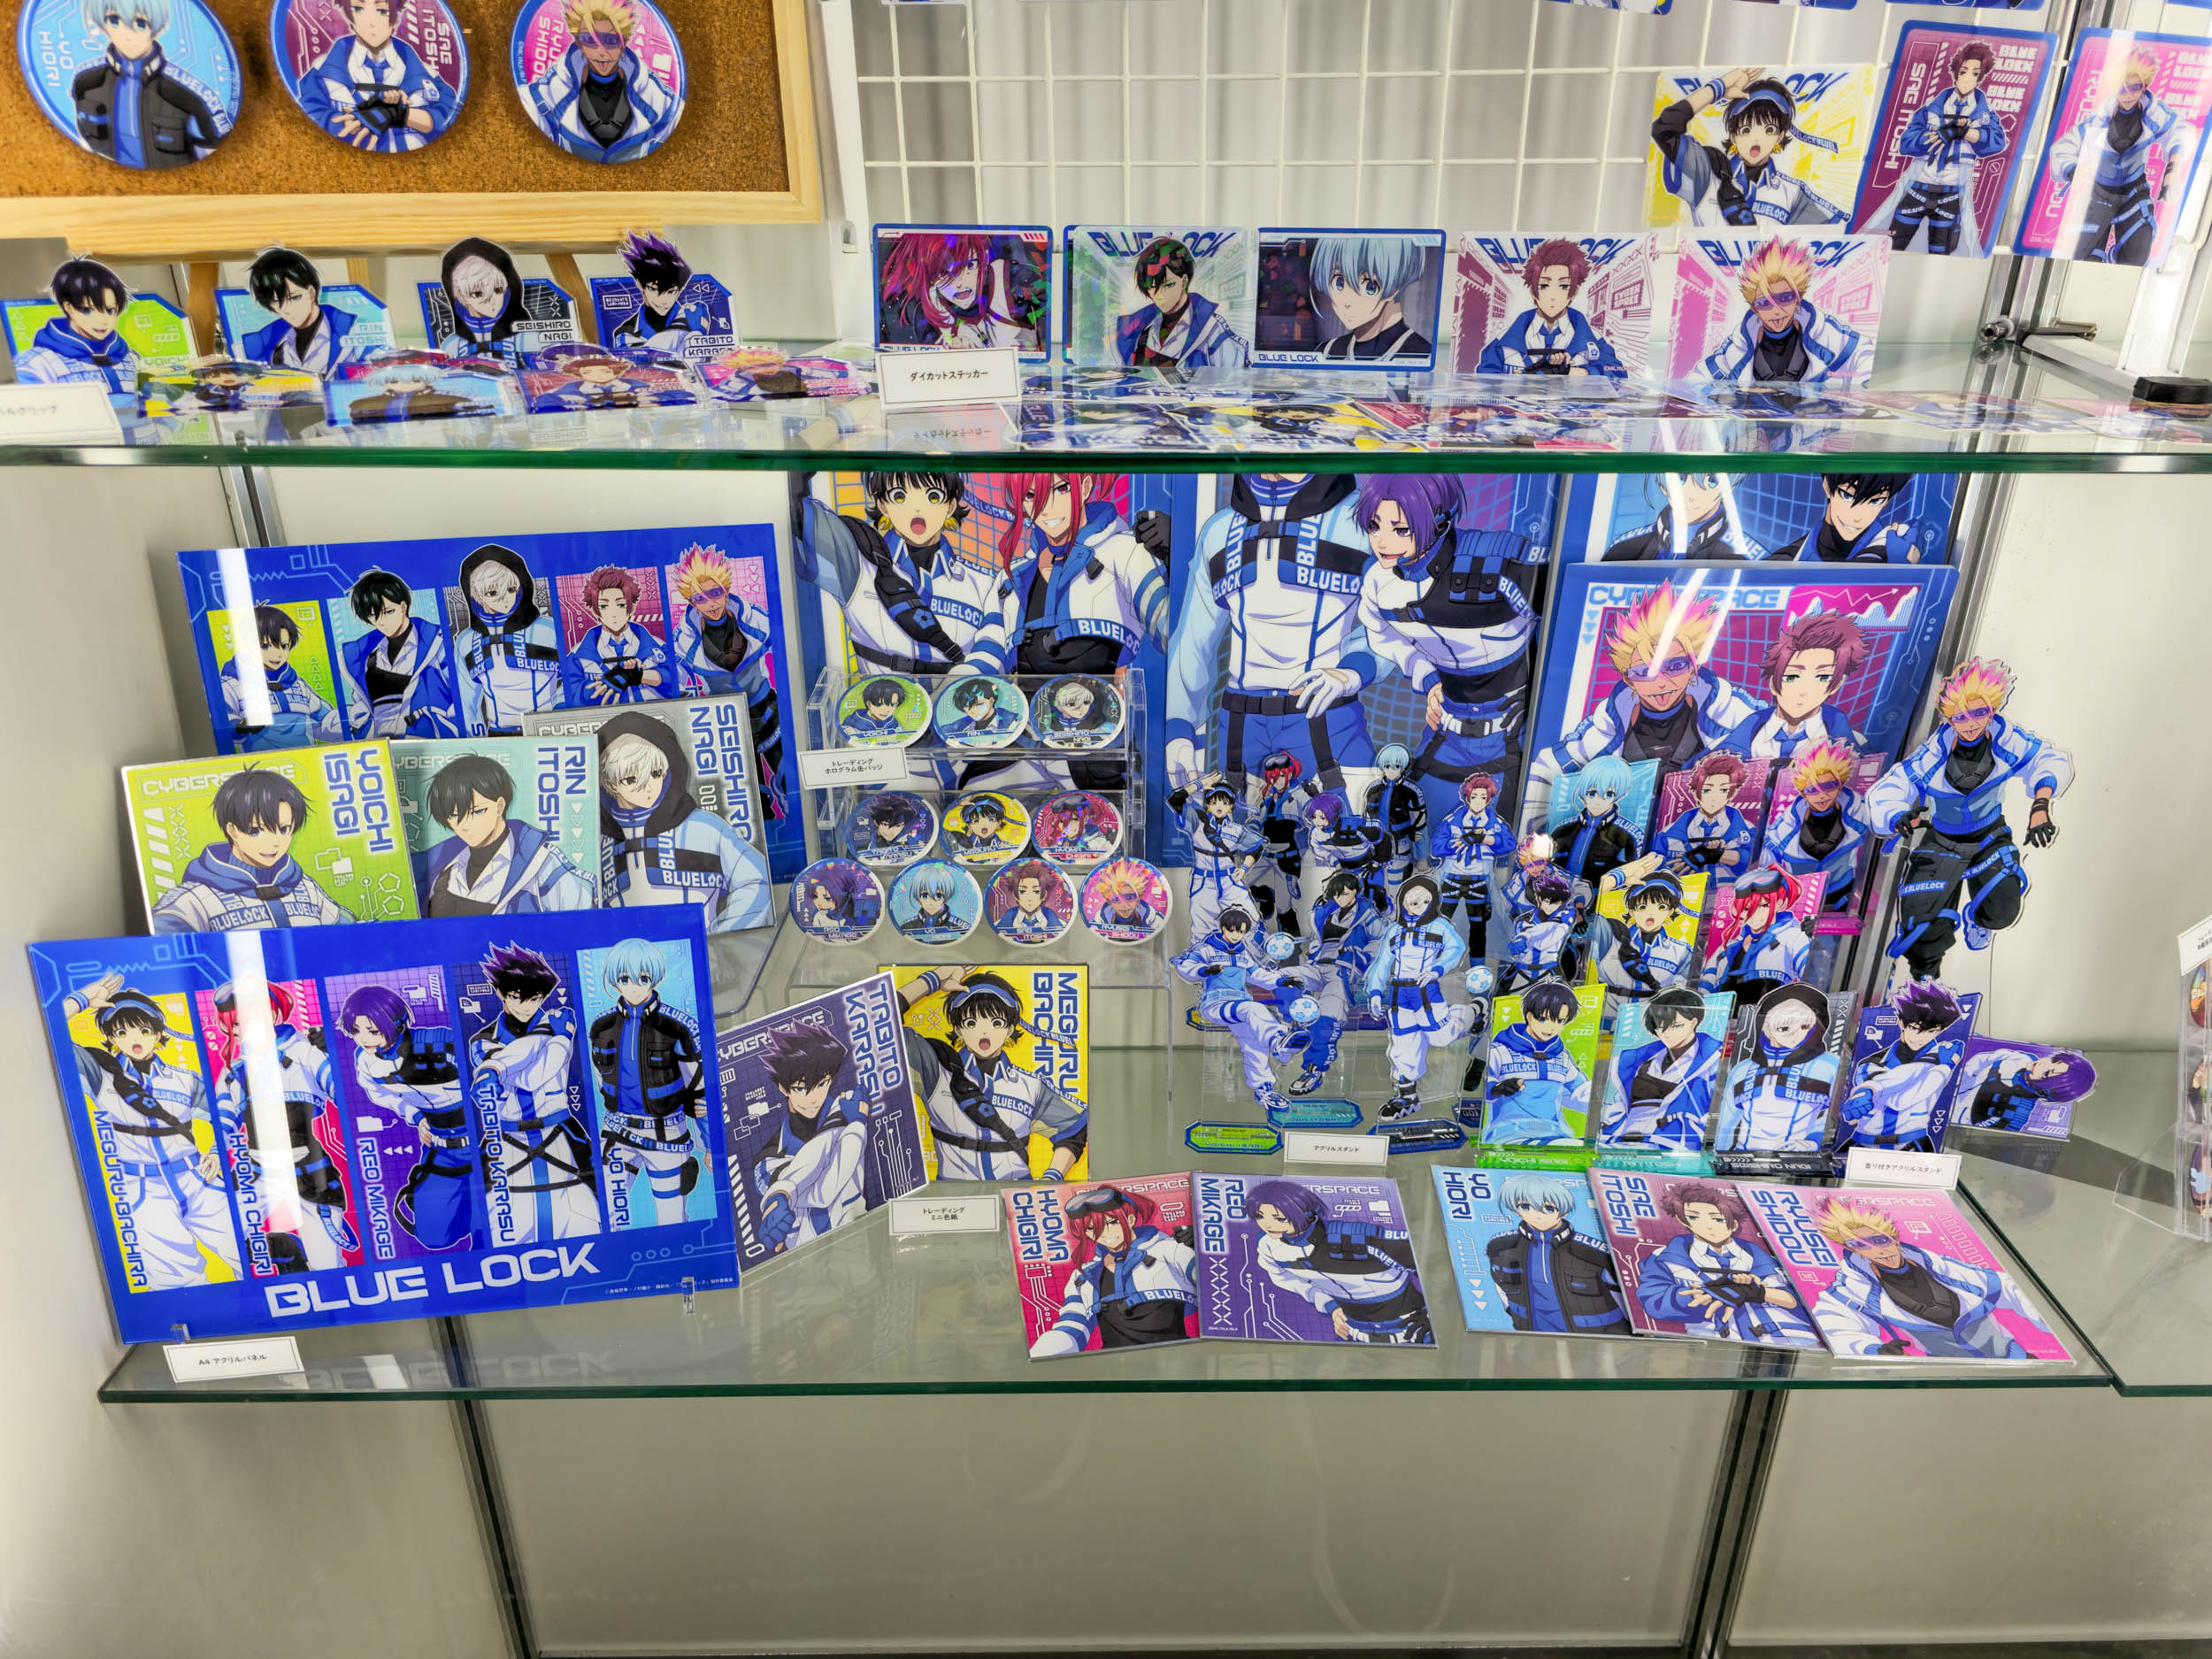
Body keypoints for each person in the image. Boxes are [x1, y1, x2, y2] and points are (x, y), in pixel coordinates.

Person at [1353, 473, 1546, 828]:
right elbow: (1383, 636)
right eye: (1374, 526)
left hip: (1513, 728)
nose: (1382, 541)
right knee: (1417, 824)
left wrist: (1541, 702)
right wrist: (1429, 679)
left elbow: (1561, 623)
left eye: (1401, 529)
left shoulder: (1501, 561)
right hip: (1446, 726)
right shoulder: (1378, 582)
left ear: (1440, 520)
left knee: (1503, 832)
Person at [1165, 472, 1375, 797]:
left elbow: (1394, 624)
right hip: (1240, 730)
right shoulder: (1219, 529)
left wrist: (1352, 673)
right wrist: (1179, 727)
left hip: (1329, 721)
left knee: (1348, 828)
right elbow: (1192, 639)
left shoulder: (1362, 519)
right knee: (1234, 829)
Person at [1867, 657, 2070, 981]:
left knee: (2002, 909)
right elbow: (1893, 785)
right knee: (1921, 933)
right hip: (1941, 840)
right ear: (1948, 717)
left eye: (1979, 712)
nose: (1970, 723)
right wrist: (1896, 815)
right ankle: (1926, 988)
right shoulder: (1934, 753)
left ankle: (1979, 918)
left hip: (1989, 836)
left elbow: (2047, 759)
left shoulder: (2006, 739)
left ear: (1992, 708)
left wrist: (2040, 806)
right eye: (1960, 716)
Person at [1527, 581, 1757, 827]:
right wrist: (1537, 833)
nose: (1662, 682)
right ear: (1628, 678)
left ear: (1694, 668)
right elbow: (1547, 766)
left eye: (1676, 666)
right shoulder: (1611, 724)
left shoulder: (1725, 712)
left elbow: (1772, 746)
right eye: (1645, 672)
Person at [61, 974, 239, 1288]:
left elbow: (226, 1111)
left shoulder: (185, 1078)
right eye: (122, 1032)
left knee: (253, 1255)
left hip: (198, 1180)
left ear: (158, 1033)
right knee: (178, 1286)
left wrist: (215, 1151)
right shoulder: (101, 1073)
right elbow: (49, 1033)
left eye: (143, 1030)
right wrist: (82, 999)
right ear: (111, 1037)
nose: (135, 1039)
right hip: (144, 1192)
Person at [796, 471, 1018, 682]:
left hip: (958, 703)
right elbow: (796, 513)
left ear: (950, 506)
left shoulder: (982, 583)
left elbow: (998, 644)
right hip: (882, 703)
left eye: (933, 496)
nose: (917, 509)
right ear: (883, 504)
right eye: (899, 496)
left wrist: (972, 672)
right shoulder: (856, 562)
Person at [206, 980, 352, 1272]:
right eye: (237, 1024)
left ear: (272, 1014)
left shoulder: (304, 1053)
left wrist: (339, 1054)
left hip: (308, 1170)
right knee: (221, 1235)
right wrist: (215, 1152)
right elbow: (225, 1117)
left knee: (328, 1267)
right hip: (258, 1172)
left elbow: (346, 1094)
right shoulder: (234, 1070)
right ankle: (287, 1250)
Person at [898, 969, 1087, 1181]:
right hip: (955, 1194)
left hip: (1015, 1194)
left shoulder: (1030, 1085)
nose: (984, 1032)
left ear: (1009, 1029)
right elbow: (880, 1021)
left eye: (996, 1023)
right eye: (971, 1023)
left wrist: (1051, 1178)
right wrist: (932, 980)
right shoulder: (935, 1069)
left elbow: (1075, 1128)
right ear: (958, 1029)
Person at [468, 944, 596, 1245]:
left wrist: (495, 1069)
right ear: (500, 993)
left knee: (601, 1200)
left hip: (559, 1130)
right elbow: (526, 1058)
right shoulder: (483, 1041)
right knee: (480, 1220)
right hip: (507, 1138)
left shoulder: (560, 1020)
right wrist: (557, 1039)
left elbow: (532, 1077)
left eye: (535, 998)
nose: (526, 1006)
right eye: (517, 996)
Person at [595, 713, 771, 932]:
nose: (648, 787)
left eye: (656, 773)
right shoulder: (597, 845)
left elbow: (758, 881)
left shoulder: (705, 828)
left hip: (706, 948)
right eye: (630, 779)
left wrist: (723, 937)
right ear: (609, 783)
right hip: (627, 951)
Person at [1811, 1198, 2045, 1356]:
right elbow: (1833, 1323)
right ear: (1850, 1248)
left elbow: (2008, 1287)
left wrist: (2047, 1322)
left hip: (2014, 1359)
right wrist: (1873, 1348)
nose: (1876, 1251)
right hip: (1944, 1377)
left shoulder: (1941, 1267)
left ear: (1895, 1238)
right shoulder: (1852, 1288)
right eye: (1858, 1244)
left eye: (1880, 1240)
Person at [339, 985, 472, 1250]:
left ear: (398, 1023)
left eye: (373, 1031)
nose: (364, 1039)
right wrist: (416, 1115)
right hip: (441, 1148)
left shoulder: (440, 1041)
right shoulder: (365, 1061)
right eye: (356, 1030)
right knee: (434, 1237)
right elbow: (379, 1094)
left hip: (486, 1140)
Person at [588, 940, 705, 1228]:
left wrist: (710, 1145)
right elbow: (600, 1078)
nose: (633, 987)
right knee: (604, 1217)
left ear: (655, 977)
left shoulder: (678, 1027)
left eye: (642, 978)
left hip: (667, 1136)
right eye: (624, 979)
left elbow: (700, 1090)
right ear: (614, 980)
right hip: (616, 1132)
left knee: (672, 1220)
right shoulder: (601, 1027)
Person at [151, 767, 356, 931]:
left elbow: (351, 934)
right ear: (233, 830)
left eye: (284, 829)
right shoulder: (195, 900)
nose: (274, 843)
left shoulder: (307, 888)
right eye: (256, 831)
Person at [2047, 49, 2196, 265]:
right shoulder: (2098, 116)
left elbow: (2182, 131)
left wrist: (2172, 169)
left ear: (2144, 86)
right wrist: (2073, 169)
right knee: (2083, 259)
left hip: (2134, 193)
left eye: (2135, 87)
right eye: (2121, 88)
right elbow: (2063, 147)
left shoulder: (2153, 112)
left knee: (2136, 256)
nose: (2128, 95)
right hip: (2098, 194)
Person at [1652, 66, 1847, 227]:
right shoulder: (1706, 172)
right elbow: (1664, 128)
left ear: (1780, 135)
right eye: (1746, 130)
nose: (1756, 139)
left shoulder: (1792, 193)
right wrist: (1719, 88)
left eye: (1769, 130)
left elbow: (1830, 237)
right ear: (1733, 136)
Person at [668, 542, 783, 812]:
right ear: (690, 601)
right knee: (754, 801)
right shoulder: (684, 638)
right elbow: (673, 678)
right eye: (699, 598)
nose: (710, 603)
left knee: (787, 778)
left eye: (715, 592)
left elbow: (786, 643)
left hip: (766, 710)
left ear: (726, 588)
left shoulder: (754, 619)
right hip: (726, 724)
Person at [1243, 1179, 1432, 1344]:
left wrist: (1434, 1315)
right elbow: (1286, 1279)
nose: (1267, 1225)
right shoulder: (1269, 1246)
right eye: (1260, 1216)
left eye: (1280, 1218)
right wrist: (1329, 1305)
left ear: (1307, 1213)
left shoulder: (1357, 1238)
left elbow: (1427, 1260)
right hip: (1352, 1331)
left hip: (1413, 1328)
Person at [1363, 875, 1486, 1121]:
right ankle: (1406, 1095)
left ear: (1433, 902)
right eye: (1413, 901)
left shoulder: (1439, 926)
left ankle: (1475, 1010)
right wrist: (1375, 991)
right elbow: (1382, 963)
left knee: (1441, 1036)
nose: (1418, 906)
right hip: (1399, 993)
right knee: (1404, 1042)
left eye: (1424, 902)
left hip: (1426, 990)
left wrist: (1437, 969)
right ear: (1403, 901)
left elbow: (1457, 948)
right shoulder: (1394, 930)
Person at [1636, 1182, 1817, 1345]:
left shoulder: (1766, 1258)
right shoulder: (1667, 1257)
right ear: (1682, 1220)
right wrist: (1707, 1293)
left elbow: (1807, 1305)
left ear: (1734, 1224)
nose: (1707, 1226)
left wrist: (1754, 1292)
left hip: (1791, 1341)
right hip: (1712, 1347)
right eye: (1693, 1217)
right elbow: (1654, 1301)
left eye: (1717, 1219)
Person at [1868, 44, 2006, 256]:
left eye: (1975, 73)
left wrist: (1963, 132)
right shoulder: (1932, 107)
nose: (1967, 79)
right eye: (1963, 72)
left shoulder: (1984, 112)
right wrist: (1936, 135)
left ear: (1982, 77)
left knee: (1940, 255)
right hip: (1917, 188)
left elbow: (1997, 142)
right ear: (1954, 72)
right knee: (1889, 249)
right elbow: (1906, 143)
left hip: (1951, 195)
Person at [415, 752, 595, 915]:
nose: (465, 825)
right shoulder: (437, 863)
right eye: (454, 816)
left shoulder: (543, 867)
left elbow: (586, 926)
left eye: (477, 811)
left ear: (500, 806)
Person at [1172, 905, 1308, 1117]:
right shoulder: (1207, 949)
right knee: (1254, 1009)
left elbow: (1259, 974)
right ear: (1223, 928)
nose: (1236, 935)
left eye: (1241, 931)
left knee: (1254, 1043)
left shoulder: (1243, 953)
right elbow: (1184, 965)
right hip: (1216, 1005)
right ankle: (1278, 1040)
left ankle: (1263, 1089)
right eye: (1232, 930)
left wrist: (1282, 980)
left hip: (1239, 1006)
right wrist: (1204, 970)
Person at [1029, 1186, 1198, 1356]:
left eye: (1113, 1222)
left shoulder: (1170, 1251)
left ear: (1130, 1220)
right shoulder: (1083, 1276)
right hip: (1116, 1364)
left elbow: (1210, 1284)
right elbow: (1070, 1327)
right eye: (1091, 1228)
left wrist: (1203, 1249)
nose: (1105, 1233)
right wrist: (1041, 1354)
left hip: (1176, 1356)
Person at [749, 1022, 869, 1251]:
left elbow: (824, 1190)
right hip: (809, 1258)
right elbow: (821, 1193)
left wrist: (853, 1126)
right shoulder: (768, 1160)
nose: (813, 1097)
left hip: (862, 1238)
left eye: (822, 1084)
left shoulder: (847, 1110)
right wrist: (779, 1194)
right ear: (783, 1088)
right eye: (800, 1088)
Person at [67, 0, 228, 169]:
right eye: (114, 20)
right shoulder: (86, 82)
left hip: (173, 179)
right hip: (102, 175)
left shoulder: (188, 95)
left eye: (140, 23)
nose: (127, 35)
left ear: (156, 27)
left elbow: (217, 146)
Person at [522, 0, 683, 164]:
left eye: (611, 40)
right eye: (589, 39)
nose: (601, 51)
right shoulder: (552, 92)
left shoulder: (651, 94)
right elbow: (529, 101)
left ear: (623, 43)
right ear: (579, 43)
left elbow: (676, 117)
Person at [295, 0, 453, 152]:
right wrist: (356, 119)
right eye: (358, 9)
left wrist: (397, 114)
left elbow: (448, 113)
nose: (370, 22)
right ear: (348, 17)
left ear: (396, 19)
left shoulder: (424, 72)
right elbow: (310, 114)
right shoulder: (323, 70)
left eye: (382, 11)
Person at [1484, 1173, 1631, 1335]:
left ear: (1564, 1212)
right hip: (1531, 1337)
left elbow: (1624, 1301)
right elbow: (1500, 1287)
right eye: (1525, 1207)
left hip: (1598, 1339)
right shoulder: (1500, 1247)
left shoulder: (1593, 1254)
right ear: (1515, 1210)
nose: (1537, 1215)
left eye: (1549, 1209)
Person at [1701, 238, 1861, 385]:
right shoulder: (1740, 343)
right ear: (1754, 308)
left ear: (1798, 299)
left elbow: (1861, 353)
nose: (1776, 311)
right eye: (1765, 303)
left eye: (1785, 298)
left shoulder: (1821, 332)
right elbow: (1702, 375)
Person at [1838, 979, 1968, 1153]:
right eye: (1914, 1028)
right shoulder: (1871, 1063)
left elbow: (1901, 1100)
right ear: (1901, 1023)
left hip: (1913, 1145)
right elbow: (1896, 1097)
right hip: (1864, 1143)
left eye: (1932, 1031)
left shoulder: (1943, 1056)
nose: (1920, 1038)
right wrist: (1942, 1068)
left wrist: (1871, 1089)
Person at [1286, 871, 1384, 1099]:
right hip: (1318, 965)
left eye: (1346, 894)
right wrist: (1312, 952)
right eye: (1337, 894)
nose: (1341, 898)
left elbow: (1382, 940)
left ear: (1355, 892)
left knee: (1326, 1018)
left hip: (1343, 969)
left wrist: (1361, 956)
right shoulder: (1326, 912)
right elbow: (1316, 941)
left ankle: (1313, 1070)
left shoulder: (1368, 914)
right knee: (1283, 979)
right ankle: (1292, 1030)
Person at [1725, 611, 1868, 761]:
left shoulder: (1842, 731)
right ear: (1773, 683)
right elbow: (1714, 761)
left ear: (1836, 684)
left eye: (1823, 677)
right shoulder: (1753, 725)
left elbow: (1868, 766)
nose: (1804, 690)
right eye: (1792, 677)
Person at [1715, 982, 1838, 1151]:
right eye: (1784, 1028)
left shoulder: (1829, 1066)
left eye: (1804, 1026)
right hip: (1742, 1157)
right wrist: (1714, 1156)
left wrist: (1812, 1143)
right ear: (1767, 1028)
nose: (1795, 1034)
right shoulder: (1742, 1070)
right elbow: (1724, 1124)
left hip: (1797, 1158)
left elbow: (1834, 1117)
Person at [455, 543, 564, 735]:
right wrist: (474, 741)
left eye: (512, 589)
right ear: (476, 595)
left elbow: (573, 679)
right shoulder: (466, 641)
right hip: (499, 736)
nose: (506, 599)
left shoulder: (548, 629)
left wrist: (562, 714)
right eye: (492, 593)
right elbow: (466, 702)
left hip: (548, 732)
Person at [1475, 239, 1624, 378]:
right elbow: (1484, 378)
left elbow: (1617, 373)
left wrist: (1573, 372)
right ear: (1533, 291)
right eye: (1544, 285)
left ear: (1574, 292)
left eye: (1564, 286)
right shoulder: (1505, 339)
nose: (1553, 296)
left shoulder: (1593, 338)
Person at [340, 569, 460, 738]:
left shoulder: (436, 643)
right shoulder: (365, 656)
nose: (382, 622)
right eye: (373, 616)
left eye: (389, 611)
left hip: (427, 740)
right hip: (381, 744)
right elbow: (361, 702)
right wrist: (360, 724)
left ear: (403, 607)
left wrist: (449, 728)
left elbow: (461, 692)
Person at [1757, 741, 1870, 913]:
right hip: (1798, 901)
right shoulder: (1784, 828)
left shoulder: (1858, 812)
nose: (1822, 795)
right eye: (1812, 790)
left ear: (1840, 784)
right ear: (1802, 793)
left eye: (1829, 786)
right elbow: (1767, 869)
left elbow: (1883, 823)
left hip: (1847, 895)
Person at [1602, 988, 1721, 1151]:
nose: (1667, 1034)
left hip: (1674, 1147)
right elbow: (1619, 1103)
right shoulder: (1640, 1060)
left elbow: (1717, 1111)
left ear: (1694, 1022)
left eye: (1676, 1026)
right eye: (1661, 1028)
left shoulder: (1712, 1060)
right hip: (1620, 1142)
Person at [879, 231, 1037, 349]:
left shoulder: (1011, 278)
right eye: (944, 273)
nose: (960, 284)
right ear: (931, 278)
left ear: (985, 258)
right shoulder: (926, 309)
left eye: (969, 266)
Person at [1115, 235, 1249, 367]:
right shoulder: (1139, 328)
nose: (1160, 296)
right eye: (1152, 287)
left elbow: (1236, 376)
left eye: (1168, 285)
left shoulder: (1212, 330)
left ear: (1184, 281)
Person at [219, 605, 341, 751]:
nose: (278, 654)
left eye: (284, 646)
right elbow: (222, 721)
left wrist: (354, 721)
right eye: (266, 646)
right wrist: (239, 727)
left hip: (308, 759)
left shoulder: (298, 685)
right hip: (263, 762)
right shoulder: (231, 685)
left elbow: (325, 721)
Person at [1482, 980, 1587, 1145]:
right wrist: (1498, 1088)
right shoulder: (1500, 1051)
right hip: (1508, 1134)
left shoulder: (1562, 1057)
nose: (1552, 1028)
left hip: (1554, 1133)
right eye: (1544, 1019)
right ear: (1530, 1017)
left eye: (1560, 1021)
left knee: (1581, 1145)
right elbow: (1482, 1086)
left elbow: (1580, 1092)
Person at [238, 248, 370, 377]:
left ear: (311, 293)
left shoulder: (352, 330)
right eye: (276, 302)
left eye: (294, 298)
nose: (287, 309)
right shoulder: (263, 344)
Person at [18, 258, 138, 396]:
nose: (103, 320)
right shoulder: (38, 364)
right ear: (69, 308)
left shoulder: (132, 358)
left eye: (110, 311)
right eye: (88, 310)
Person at [1169, 774, 1266, 944]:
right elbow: (1175, 800)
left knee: (1252, 919)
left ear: (1230, 806)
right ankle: (1203, 958)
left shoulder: (1236, 830)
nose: (1219, 806)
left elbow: (1256, 848)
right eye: (1214, 802)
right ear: (1208, 805)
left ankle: (1258, 954)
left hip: (1230, 880)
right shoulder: (1197, 823)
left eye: (1224, 802)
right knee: (1202, 928)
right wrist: (1199, 784)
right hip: (1204, 882)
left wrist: (1244, 868)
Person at [1309, 234, 1432, 363]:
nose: (1346, 302)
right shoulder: (1328, 351)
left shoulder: (1423, 356)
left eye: (1369, 286)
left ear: (1395, 286)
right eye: (1339, 282)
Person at [562, 565, 673, 706]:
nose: (613, 614)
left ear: (632, 607)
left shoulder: (657, 645)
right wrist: (604, 684)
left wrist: (639, 676)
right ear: (595, 611)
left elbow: (679, 677)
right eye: (603, 606)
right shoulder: (578, 654)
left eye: (621, 605)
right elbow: (568, 693)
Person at [1430, 773, 1514, 956]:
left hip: (1478, 882)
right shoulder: (1453, 821)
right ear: (1467, 797)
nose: (1478, 802)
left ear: (1489, 799)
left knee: (1478, 929)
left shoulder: (1494, 823)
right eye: (1474, 796)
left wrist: (1485, 838)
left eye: (1483, 797)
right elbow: (1436, 847)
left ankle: (1478, 968)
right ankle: (1433, 962)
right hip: (1452, 879)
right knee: (1440, 925)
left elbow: (1509, 843)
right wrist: (1458, 842)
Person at [1701, 868, 1812, 1002]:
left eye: (1764, 906)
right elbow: (1704, 991)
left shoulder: (1792, 937)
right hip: (1724, 1012)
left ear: (1778, 904)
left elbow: (1810, 980)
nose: (1754, 914)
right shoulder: (1727, 947)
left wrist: (1813, 944)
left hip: (1771, 1012)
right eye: (1746, 909)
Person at [1601, 473, 1767, 563]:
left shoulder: (1748, 556)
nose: (1690, 495)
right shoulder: (1624, 547)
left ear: (1729, 487)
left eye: (1712, 481)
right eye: (1680, 478)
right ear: (1662, 485)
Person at [1772, 475, 1921, 563]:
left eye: (1875, 501)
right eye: (1847, 496)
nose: (1857, 517)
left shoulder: (1897, 542)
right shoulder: (1787, 558)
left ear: (1887, 501)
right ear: (1827, 486)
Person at [435, 239, 541, 363]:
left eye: (498, 290)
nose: (493, 302)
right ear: (461, 296)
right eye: (477, 294)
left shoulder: (528, 338)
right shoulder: (453, 344)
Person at [1593, 867, 1695, 995]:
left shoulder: (1681, 950)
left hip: (1654, 1006)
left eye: (1661, 907)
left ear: (1670, 911)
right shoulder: (1610, 935)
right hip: (1607, 1004)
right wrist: (1617, 879)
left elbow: (1682, 992)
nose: (1651, 913)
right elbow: (1588, 911)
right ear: (1632, 911)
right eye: (1642, 907)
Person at [610, 230, 711, 354]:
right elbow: (646, 362)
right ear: (639, 283)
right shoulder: (626, 331)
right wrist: (691, 332)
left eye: (671, 292)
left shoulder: (695, 312)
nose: (663, 301)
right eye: (653, 289)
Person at [1655, 751, 1756, 874]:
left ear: (1733, 793)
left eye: (1724, 790)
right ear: (1695, 792)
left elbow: (1750, 858)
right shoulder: (1668, 833)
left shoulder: (1747, 829)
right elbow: (1655, 865)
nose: (1714, 798)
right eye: (1707, 790)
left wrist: (1712, 854)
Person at [1958, 1047, 2097, 1133]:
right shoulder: (2021, 1058)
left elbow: (1968, 1130)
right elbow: (1982, 1059)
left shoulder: (2015, 1113)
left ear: (2046, 1092)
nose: (2042, 1065)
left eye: (2046, 1074)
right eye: (2054, 1061)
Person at [1552, 755, 1641, 887]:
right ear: (1583, 793)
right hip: (1557, 893)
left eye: (1609, 794)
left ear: (1618, 796)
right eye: (1592, 793)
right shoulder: (1562, 830)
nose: (1598, 801)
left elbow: (1626, 878)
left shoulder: (1624, 837)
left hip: (1598, 896)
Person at [1360, 744, 1428, 891]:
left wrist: (1422, 857)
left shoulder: (1412, 791)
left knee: (1396, 885)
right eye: (1387, 766)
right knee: (1374, 882)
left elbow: (1420, 826)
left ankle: (1396, 901)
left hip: (1400, 844)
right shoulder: (1373, 789)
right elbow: (1365, 819)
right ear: (1382, 766)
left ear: (1403, 767)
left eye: (1396, 766)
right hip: (1376, 843)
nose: (1391, 770)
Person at [1501, 869, 1580, 993]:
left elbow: (1542, 943)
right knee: (1504, 997)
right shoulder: (1524, 921)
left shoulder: (1563, 919)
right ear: (1539, 898)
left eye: (1556, 903)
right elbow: (1535, 931)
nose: (1550, 907)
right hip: (1523, 972)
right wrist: (1520, 940)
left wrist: (1564, 925)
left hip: (1548, 974)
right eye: (1547, 901)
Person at [893, 862, 970, 944]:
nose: (931, 903)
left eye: (939, 896)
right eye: (924, 896)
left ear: (946, 898)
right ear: (918, 898)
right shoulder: (908, 927)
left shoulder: (960, 927)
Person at [995, 863, 1064, 943]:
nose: (1029, 898)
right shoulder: (1005, 920)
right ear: (1015, 895)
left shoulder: (1053, 920)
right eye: (1022, 891)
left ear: (1044, 895)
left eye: (1036, 891)